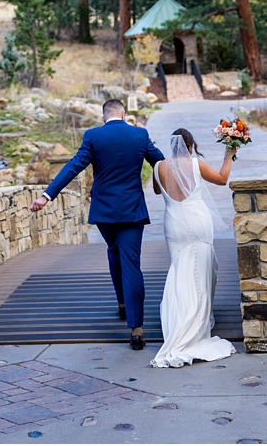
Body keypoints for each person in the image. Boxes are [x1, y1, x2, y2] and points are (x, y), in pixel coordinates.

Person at [30, 98, 165, 350]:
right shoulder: (140, 135)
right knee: (130, 263)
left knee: (114, 253)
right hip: (132, 211)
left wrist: (46, 195)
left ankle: (122, 304)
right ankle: (136, 328)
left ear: (104, 118)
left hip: (104, 213)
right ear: (123, 115)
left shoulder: (93, 136)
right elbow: (161, 162)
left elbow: (73, 167)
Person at [148, 128, 237, 368]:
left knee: (180, 270)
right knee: (203, 269)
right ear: (190, 146)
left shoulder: (158, 167)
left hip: (173, 224)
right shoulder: (195, 164)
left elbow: (158, 190)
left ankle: (179, 322)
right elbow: (222, 178)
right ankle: (198, 322)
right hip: (197, 220)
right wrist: (229, 154)